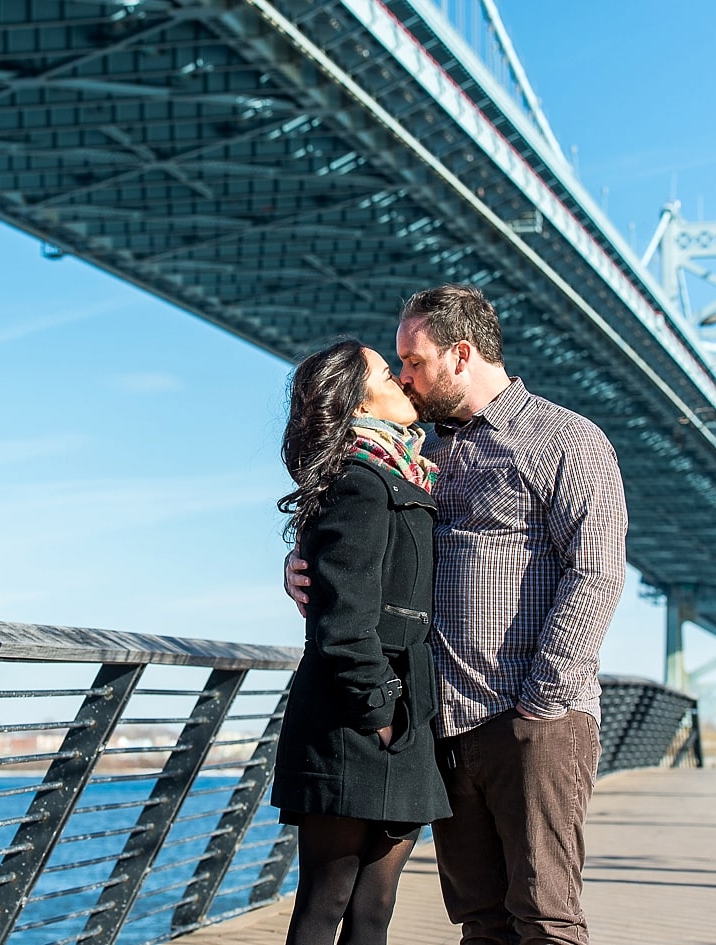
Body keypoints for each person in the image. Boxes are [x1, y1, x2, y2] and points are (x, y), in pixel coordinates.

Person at [285, 285, 628, 945]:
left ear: (461, 354)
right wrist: (299, 565)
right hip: (441, 726)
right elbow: (357, 542)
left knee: (546, 919)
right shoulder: (420, 454)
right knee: (481, 921)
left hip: (532, 721)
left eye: (413, 360)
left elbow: (597, 572)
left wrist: (541, 700)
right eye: (398, 365)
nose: (405, 375)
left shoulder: (566, 439)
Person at [271, 338, 452, 945]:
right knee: (325, 906)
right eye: (385, 371)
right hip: (356, 717)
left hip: (405, 713)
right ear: (354, 402)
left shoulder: (407, 471)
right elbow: (343, 621)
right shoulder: (359, 480)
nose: (403, 379)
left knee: (375, 910)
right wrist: (379, 714)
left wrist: (402, 718)